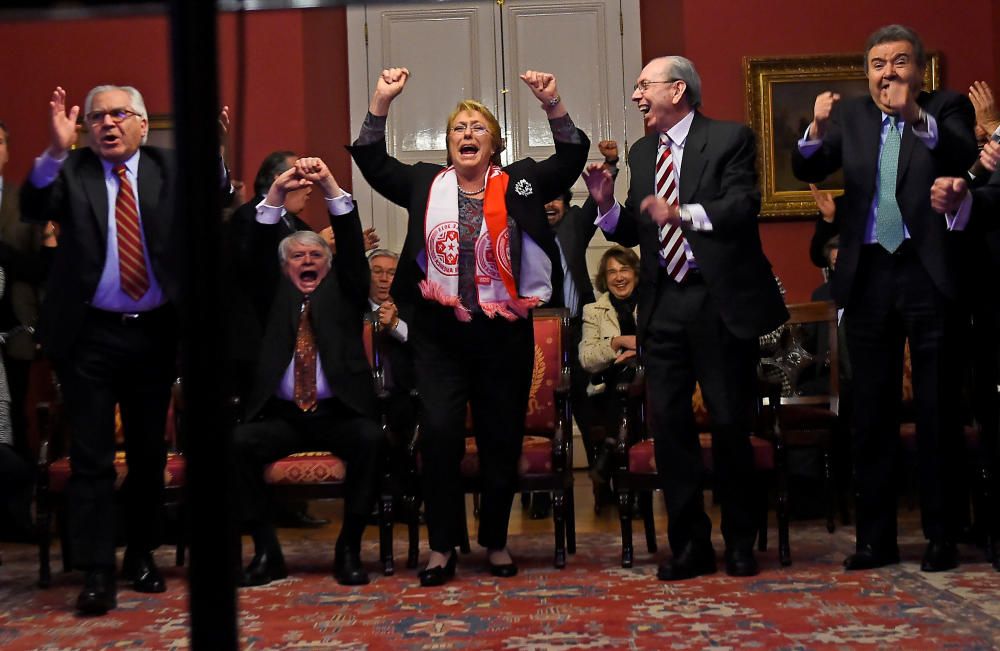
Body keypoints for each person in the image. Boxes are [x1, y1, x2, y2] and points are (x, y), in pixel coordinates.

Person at [350, 67, 589, 586]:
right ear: (447, 141)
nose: (467, 135)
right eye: (459, 128)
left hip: (502, 335)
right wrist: (381, 100)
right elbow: (371, 160)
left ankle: (496, 542)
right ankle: (441, 547)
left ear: (494, 143)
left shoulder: (520, 180)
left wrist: (552, 104)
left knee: (501, 438)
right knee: (438, 436)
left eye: (478, 128)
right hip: (438, 336)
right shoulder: (423, 183)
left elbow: (570, 158)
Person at [20, 86, 233, 615]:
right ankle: (96, 570)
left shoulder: (168, 166)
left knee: (146, 453)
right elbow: (30, 206)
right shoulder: (72, 170)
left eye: (118, 114)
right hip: (89, 334)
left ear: (141, 124)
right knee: (92, 456)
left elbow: (218, 194)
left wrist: (214, 150)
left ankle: (141, 555)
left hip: (154, 331)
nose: (107, 124)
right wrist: (53, 150)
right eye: (97, 117)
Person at [584, 55, 787, 580]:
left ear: (677, 90)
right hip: (664, 306)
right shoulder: (642, 150)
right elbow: (634, 229)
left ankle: (740, 542)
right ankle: (690, 546)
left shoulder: (729, 139)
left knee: (727, 424)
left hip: (718, 303)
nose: (635, 96)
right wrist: (607, 207)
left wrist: (684, 213)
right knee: (670, 429)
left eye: (642, 86)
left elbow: (743, 204)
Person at [792, 25, 978, 573]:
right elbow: (808, 166)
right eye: (876, 64)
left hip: (928, 273)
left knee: (936, 410)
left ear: (919, 72)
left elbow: (966, 155)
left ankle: (942, 535)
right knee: (868, 413)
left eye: (899, 63)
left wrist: (914, 117)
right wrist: (815, 128)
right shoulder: (850, 116)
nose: (887, 73)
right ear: (866, 73)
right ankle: (875, 540)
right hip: (868, 274)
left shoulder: (945, 108)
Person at [231, 157, 382, 587]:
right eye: (297, 255)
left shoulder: (345, 293)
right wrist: (275, 195)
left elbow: (351, 247)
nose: (307, 260)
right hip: (282, 416)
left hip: (339, 413)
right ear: (284, 267)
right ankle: (266, 551)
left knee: (371, 440)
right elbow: (258, 251)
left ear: (328, 264)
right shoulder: (269, 295)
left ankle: (348, 549)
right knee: (237, 444)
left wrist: (332, 187)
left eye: (316, 254)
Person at [534, 140, 620, 517]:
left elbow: (597, 201)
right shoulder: (522, 231)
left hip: (578, 329)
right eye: (543, 199)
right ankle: (537, 492)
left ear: (565, 203)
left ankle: (605, 484)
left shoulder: (575, 225)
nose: (549, 204)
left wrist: (611, 162)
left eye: (556, 198)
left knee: (589, 410)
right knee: (539, 412)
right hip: (535, 334)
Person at [0, 120, 56, 542]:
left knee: (15, 423)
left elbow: (43, 267)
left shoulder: (24, 202)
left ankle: (14, 519)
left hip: (13, 330)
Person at [578, 245, 640, 479]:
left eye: (624, 269)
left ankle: (611, 446)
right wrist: (617, 343)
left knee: (629, 378)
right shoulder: (593, 311)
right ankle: (630, 485)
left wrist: (638, 352)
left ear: (635, 272)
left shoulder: (652, 304)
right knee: (623, 382)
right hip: (608, 388)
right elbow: (587, 359)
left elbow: (665, 343)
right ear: (605, 279)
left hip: (650, 383)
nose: (619, 277)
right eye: (611, 272)